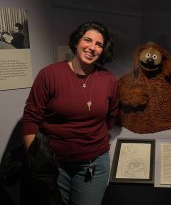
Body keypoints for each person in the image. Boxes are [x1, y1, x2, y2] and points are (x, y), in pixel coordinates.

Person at [22, 21, 119, 205]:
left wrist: (92, 138)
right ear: (76, 41)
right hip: (54, 164)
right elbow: (31, 117)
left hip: (94, 164)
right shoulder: (49, 75)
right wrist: (33, 159)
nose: (92, 47)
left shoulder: (108, 80)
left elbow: (112, 115)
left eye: (98, 44)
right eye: (87, 40)